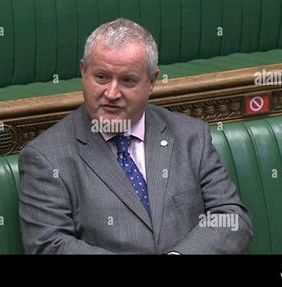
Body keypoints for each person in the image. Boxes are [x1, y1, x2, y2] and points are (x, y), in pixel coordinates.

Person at [19, 18, 253, 254]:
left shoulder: (190, 135)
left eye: (127, 80)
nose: (111, 93)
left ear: (152, 81)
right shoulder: (46, 157)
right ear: (83, 71)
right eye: (101, 77)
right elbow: (50, 244)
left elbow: (231, 218)